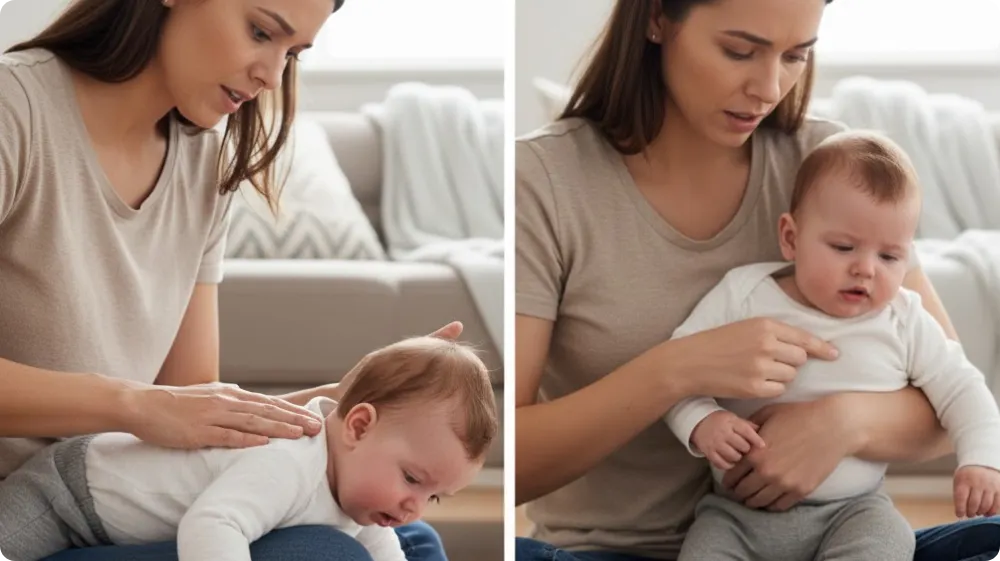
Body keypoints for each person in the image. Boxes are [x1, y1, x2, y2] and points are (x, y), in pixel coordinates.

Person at [514, 1, 1000, 560]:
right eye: (739, 50)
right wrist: (676, 371)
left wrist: (841, 423)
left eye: (796, 55)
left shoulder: (827, 165)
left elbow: (950, 398)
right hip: (621, 549)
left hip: (833, 535)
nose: (770, 88)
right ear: (656, 19)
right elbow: (502, 463)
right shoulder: (543, 180)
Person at [0, 1, 458, 559]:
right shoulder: (14, 111)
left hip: (122, 508)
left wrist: (352, 407)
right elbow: (158, 410)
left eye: (292, 54)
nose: (271, 75)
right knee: (322, 552)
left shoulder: (203, 166)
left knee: (411, 540)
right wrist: (132, 404)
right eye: (261, 31)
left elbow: (190, 414)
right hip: (34, 509)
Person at [664, 131, 1000, 560]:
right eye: (844, 247)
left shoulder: (904, 318)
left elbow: (963, 389)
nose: (865, 269)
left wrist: (982, 461)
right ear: (790, 237)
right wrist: (702, 422)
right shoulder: (744, 294)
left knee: (888, 541)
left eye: (891, 257)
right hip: (735, 518)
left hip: (853, 513)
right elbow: (676, 370)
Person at [0, 336, 499, 561]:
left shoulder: (359, 496)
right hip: (66, 496)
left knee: (421, 546)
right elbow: (213, 526)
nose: (414, 507)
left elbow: (385, 553)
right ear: (359, 426)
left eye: (434, 496)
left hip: (126, 530)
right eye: (412, 479)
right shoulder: (287, 462)